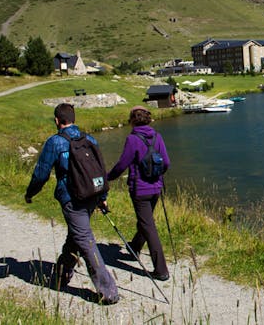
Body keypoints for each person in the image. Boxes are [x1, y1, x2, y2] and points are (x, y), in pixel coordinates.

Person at [24, 103, 119, 304]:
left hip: (72, 199)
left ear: (57, 121)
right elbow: (99, 169)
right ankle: (60, 276)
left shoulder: (55, 142)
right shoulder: (89, 139)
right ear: (73, 119)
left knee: (84, 239)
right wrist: (102, 198)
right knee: (75, 237)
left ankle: (108, 291)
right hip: (92, 195)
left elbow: (41, 174)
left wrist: (30, 194)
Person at [107, 105, 171, 281]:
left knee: (148, 226)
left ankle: (161, 270)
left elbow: (122, 164)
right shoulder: (158, 136)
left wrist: (107, 178)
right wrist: (157, 176)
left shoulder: (132, 139)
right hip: (156, 187)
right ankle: (134, 247)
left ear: (132, 121)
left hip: (140, 190)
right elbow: (166, 162)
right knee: (146, 221)